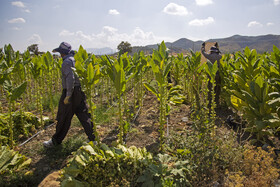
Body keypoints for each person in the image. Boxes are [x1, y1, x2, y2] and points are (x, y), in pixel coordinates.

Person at [43, 42, 95, 147]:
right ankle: (94, 139)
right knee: (84, 114)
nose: (59, 55)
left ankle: (55, 141)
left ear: (62, 53)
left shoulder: (66, 62)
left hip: (71, 91)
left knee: (64, 116)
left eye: (60, 53)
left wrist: (68, 95)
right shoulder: (75, 60)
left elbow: (70, 79)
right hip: (79, 90)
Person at [201, 42, 222, 108]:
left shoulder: (209, 56)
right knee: (217, 89)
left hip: (210, 75)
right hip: (218, 75)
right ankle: (216, 103)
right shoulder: (220, 56)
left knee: (210, 89)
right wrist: (217, 47)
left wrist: (203, 46)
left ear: (211, 51)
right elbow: (219, 53)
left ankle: (209, 103)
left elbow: (203, 52)